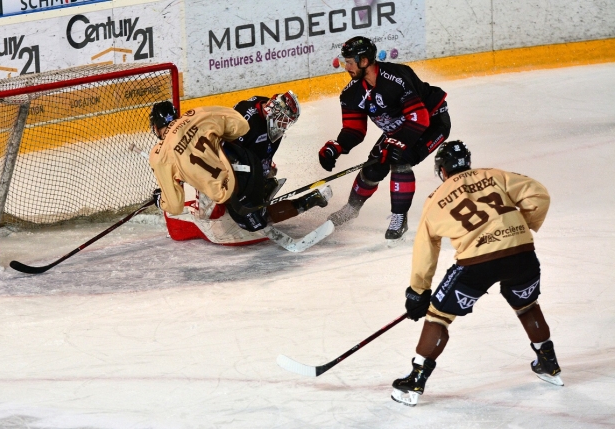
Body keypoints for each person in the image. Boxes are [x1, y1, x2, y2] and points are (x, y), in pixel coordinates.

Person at [390, 141, 562, 407]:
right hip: (521, 253)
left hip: (477, 262)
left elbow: (427, 247)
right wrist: (522, 228)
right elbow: (538, 194)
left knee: (438, 317)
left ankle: (415, 380)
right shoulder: (493, 175)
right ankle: (549, 363)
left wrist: (418, 290)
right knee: (527, 305)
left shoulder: (435, 199)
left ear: (442, 170)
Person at [318, 36, 451, 241]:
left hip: (432, 121)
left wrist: (397, 142)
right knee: (373, 167)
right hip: (400, 127)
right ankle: (351, 209)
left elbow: (419, 117)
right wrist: (337, 147)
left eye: (350, 62)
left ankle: (399, 218)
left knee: (400, 158)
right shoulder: (351, 93)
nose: (346, 67)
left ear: (364, 61)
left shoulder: (396, 77)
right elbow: (354, 130)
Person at [147, 101, 331, 244]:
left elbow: (175, 206)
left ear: (155, 127)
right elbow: (240, 126)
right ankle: (265, 184)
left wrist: (160, 199)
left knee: (252, 222)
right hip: (250, 161)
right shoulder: (194, 114)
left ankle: (310, 200)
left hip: (236, 185)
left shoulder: (160, 154)